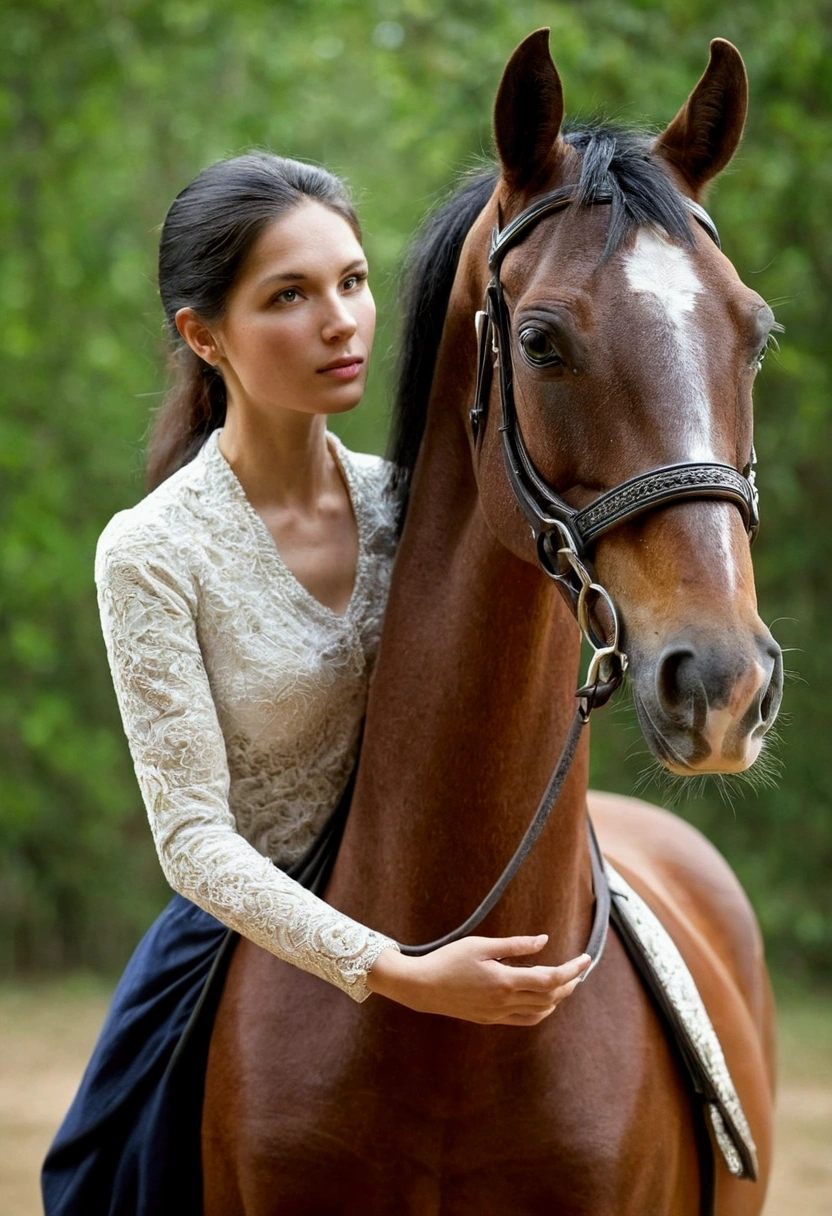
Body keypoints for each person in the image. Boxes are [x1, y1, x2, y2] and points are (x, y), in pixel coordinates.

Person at [42, 152, 590, 1214]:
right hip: (252, 927)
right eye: (289, 296)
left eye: (350, 280)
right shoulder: (152, 550)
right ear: (204, 336)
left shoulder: (421, 508)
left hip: (469, 879)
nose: (341, 320)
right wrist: (395, 970)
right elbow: (193, 838)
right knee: (94, 1182)